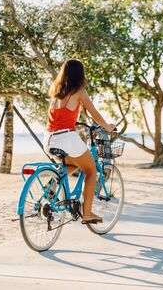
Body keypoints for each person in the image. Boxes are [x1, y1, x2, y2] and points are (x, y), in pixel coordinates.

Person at [44, 59, 115, 224]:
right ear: (80, 74)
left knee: (75, 163)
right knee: (90, 170)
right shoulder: (79, 91)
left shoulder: (55, 91)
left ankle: (53, 183)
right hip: (67, 138)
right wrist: (108, 127)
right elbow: (94, 114)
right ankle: (88, 213)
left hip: (49, 139)